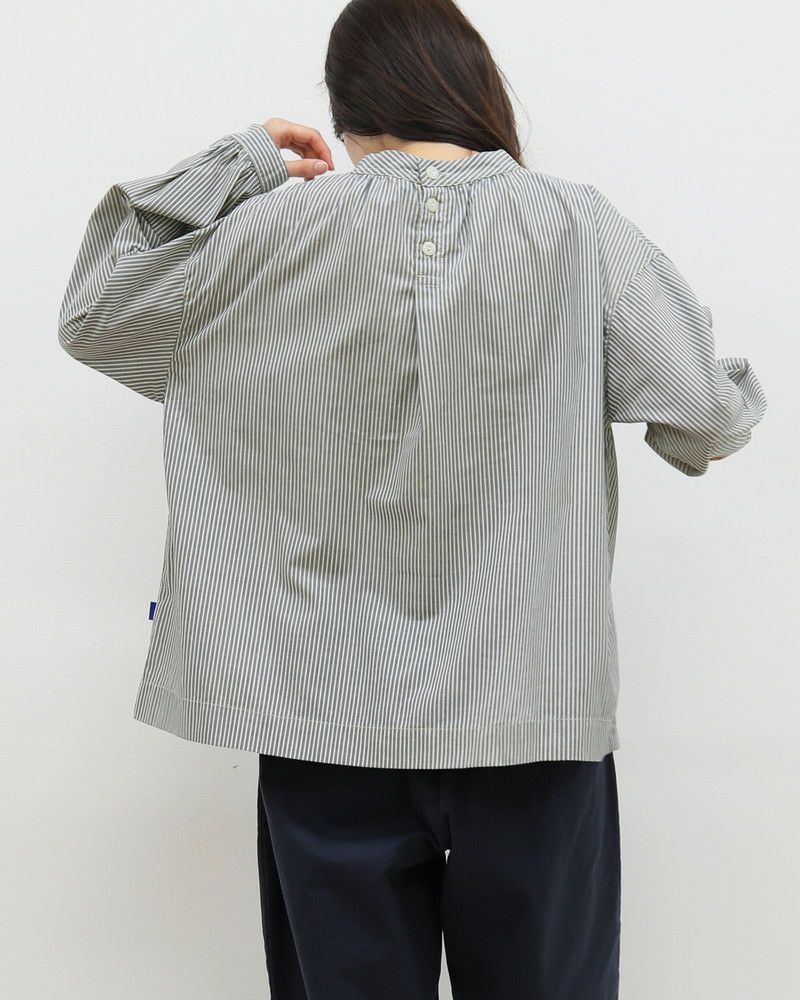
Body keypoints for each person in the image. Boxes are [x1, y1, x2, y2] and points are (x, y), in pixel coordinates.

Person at [57, 1, 767, 997]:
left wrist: (239, 161)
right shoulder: (576, 224)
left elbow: (96, 313)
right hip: (532, 713)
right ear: (470, 88)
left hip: (320, 715)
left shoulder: (266, 232)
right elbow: (703, 414)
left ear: (347, 107)